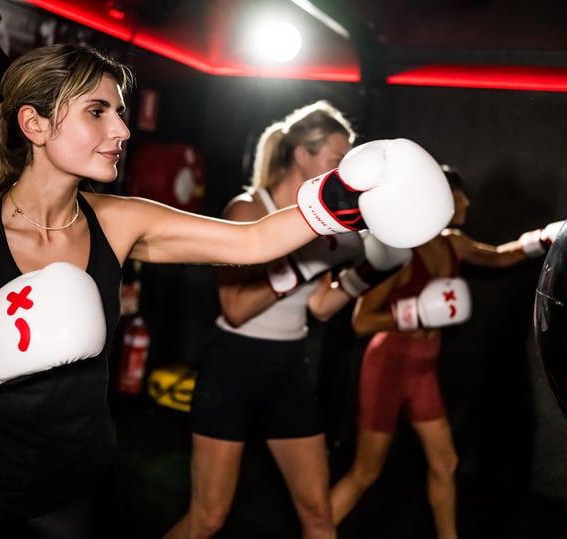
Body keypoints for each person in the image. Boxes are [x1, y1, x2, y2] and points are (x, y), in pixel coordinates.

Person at [0, 43, 452, 538]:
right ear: (34, 126)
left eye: (121, 113)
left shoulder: (118, 221)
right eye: (97, 111)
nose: (123, 131)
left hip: (77, 478)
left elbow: (250, 241)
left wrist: (342, 195)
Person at [163, 101, 415, 539]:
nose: (345, 170)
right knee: (209, 518)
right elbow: (236, 309)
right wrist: (302, 266)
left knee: (319, 513)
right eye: (337, 159)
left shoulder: (327, 225)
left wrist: (370, 272)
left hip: (289, 367)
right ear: (303, 155)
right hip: (233, 365)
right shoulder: (247, 210)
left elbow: (320, 307)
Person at [328, 165, 563, 538]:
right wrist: (415, 312)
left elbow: (498, 256)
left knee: (445, 463)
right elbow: (361, 321)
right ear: (438, 201)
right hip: (388, 364)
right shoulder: (399, 251)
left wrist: (543, 239)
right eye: (459, 195)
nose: (467, 201)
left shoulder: (454, 243)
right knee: (366, 473)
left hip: (422, 369)